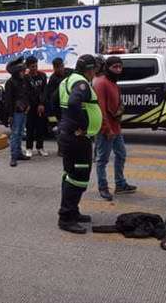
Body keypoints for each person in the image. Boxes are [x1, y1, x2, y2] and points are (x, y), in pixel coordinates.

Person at [52, 54, 103, 234]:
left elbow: (53, 102)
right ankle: (66, 218)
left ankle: (72, 211)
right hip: (77, 139)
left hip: (68, 135)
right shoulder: (81, 83)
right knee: (78, 176)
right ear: (91, 69)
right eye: (95, 69)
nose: (95, 72)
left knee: (70, 174)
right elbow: (74, 102)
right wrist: (82, 125)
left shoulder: (67, 80)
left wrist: (64, 122)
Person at [94, 56, 137, 201]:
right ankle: (103, 187)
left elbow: (119, 103)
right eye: (115, 67)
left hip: (116, 128)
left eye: (120, 67)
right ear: (107, 67)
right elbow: (100, 109)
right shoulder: (101, 83)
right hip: (106, 129)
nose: (118, 70)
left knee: (121, 154)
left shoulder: (115, 84)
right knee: (102, 160)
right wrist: (107, 129)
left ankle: (120, 184)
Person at [5, 57, 31, 167]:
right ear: (16, 72)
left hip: (24, 111)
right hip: (15, 112)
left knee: (20, 133)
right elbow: (9, 100)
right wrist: (10, 115)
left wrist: (28, 105)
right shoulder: (10, 83)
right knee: (15, 134)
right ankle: (13, 156)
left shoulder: (24, 81)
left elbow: (27, 93)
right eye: (22, 71)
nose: (24, 73)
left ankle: (19, 153)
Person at [24, 56, 48, 157]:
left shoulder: (42, 76)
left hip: (41, 107)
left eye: (36, 65)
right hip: (30, 107)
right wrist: (30, 105)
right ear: (28, 67)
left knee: (41, 128)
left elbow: (44, 91)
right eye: (32, 66)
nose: (35, 68)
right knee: (29, 128)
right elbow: (26, 93)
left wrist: (42, 104)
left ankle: (40, 147)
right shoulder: (25, 78)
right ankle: (29, 148)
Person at [44, 57, 69, 156]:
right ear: (54, 68)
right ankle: (61, 149)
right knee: (61, 130)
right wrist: (55, 112)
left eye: (62, 66)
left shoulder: (69, 73)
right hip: (60, 109)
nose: (61, 69)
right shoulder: (53, 79)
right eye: (58, 67)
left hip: (71, 106)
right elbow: (51, 97)